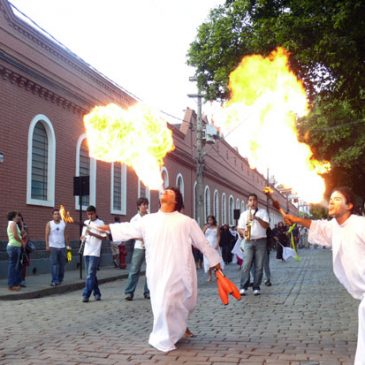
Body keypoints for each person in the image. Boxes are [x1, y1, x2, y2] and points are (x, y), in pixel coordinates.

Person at [100, 187, 221, 352]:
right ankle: (173, 332)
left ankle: (166, 337)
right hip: (157, 268)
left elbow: (202, 243)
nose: (165, 192)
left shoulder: (186, 221)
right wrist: (106, 228)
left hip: (180, 268)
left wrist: (215, 263)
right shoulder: (148, 220)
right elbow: (127, 228)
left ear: (176, 200)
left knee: (173, 302)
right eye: (164, 191)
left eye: (170, 192)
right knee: (163, 303)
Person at [284, 186, 365, 365]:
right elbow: (318, 226)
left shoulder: (360, 224)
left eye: (337, 199)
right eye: (331, 198)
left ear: (349, 205)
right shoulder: (335, 226)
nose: (331, 201)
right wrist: (296, 219)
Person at [237, 193, 269, 296]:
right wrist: (244, 234)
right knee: (246, 264)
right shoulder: (244, 214)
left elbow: (266, 226)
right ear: (248, 202)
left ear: (257, 202)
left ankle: (256, 286)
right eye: (250, 200)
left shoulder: (263, 212)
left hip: (261, 241)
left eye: (254, 200)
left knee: (259, 266)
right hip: (248, 241)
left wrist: (257, 218)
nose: (252, 202)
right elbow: (239, 228)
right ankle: (243, 286)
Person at [124, 197, 150, 301]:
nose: (145, 206)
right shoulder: (134, 219)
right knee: (134, 270)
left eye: (146, 204)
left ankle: (148, 291)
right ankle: (129, 292)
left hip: (150, 247)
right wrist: (141, 238)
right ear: (139, 206)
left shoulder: (151, 217)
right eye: (143, 204)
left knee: (150, 270)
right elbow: (132, 234)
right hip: (139, 246)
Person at [80, 205, 107, 303]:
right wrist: (82, 238)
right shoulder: (86, 223)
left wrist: (92, 234)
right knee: (90, 274)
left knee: (90, 274)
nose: (90, 216)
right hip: (86, 251)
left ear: (95, 213)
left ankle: (85, 294)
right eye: (88, 214)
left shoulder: (101, 223)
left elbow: (104, 237)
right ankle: (97, 293)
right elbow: (83, 235)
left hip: (95, 252)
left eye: (91, 214)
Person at [45, 208, 69, 287]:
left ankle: (60, 279)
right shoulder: (49, 223)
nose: (56, 215)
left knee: (62, 265)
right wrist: (47, 245)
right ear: (52, 216)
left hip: (62, 247)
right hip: (53, 247)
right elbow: (46, 235)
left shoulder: (63, 223)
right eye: (55, 214)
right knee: (54, 264)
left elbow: (66, 235)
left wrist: (68, 246)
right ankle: (54, 280)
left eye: (58, 214)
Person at [6, 211, 24, 291]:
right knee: (13, 266)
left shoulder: (13, 223)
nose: (18, 217)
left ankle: (16, 283)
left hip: (15, 247)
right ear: (13, 216)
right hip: (14, 247)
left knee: (16, 266)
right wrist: (22, 242)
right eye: (17, 216)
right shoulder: (13, 223)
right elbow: (15, 235)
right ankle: (11, 285)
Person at [203, 215, 223, 281]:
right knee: (207, 261)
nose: (210, 221)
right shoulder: (205, 227)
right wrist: (205, 229)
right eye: (208, 220)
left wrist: (217, 244)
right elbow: (201, 234)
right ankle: (209, 276)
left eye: (211, 220)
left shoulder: (216, 227)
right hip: (207, 245)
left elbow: (218, 236)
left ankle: (217, 275)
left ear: (213, 220)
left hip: (214, 244)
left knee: (216, 260)